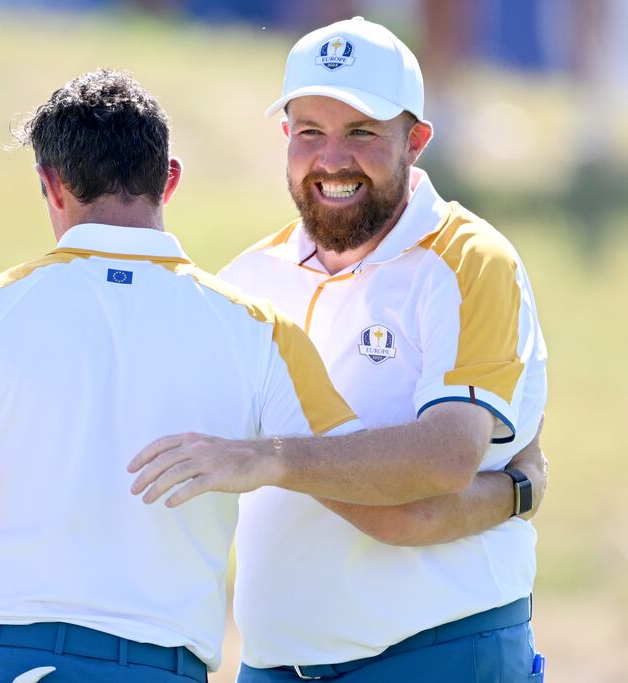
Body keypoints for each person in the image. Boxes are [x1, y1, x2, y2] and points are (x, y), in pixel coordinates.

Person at [0, 68, 365, 683]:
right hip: (158, 667)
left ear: (52, 184)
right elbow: (360, 478)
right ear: (169, 179)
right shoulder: (262, 331)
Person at [129, 17, 548, 682]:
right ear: (284, 138)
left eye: (361, 133)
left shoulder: (472, 259)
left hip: (439, 653)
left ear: (416, 140)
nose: (331, 159)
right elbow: (156, 446)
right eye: (310, 132)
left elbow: (444, 456)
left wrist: (267, 457)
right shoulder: (248, 278)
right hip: (274, 664)